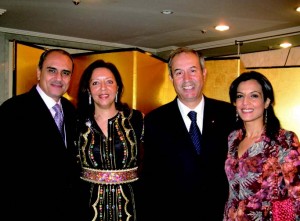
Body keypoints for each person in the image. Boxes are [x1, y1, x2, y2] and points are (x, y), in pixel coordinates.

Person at [138, 47, 236, 221]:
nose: (187, 79)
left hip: (220, 215)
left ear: (204, 73)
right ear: (171, 79)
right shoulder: (155, 121)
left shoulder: (228, 115)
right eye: (179, 73)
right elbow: (150, 180)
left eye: (192, 70)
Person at [0, 49, 82, 220]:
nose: (58, 78)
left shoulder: (71, 111)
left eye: (65, 73)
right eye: (52, 70)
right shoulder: (12, 110)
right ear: (39, 72)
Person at [223, 71, 300, 220]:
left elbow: (297, 194)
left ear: (267, 102)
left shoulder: (283, 140)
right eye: (240, 96)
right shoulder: (232, 139)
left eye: (254, 95)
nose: (245, 102)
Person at [75, 59, 144, 221]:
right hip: (86, 206)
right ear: (88, 89)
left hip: (133, 206)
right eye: (96, 83)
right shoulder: (76, 123)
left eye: (109, 82)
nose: (103, 88)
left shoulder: (137, 120)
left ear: (117, 87)